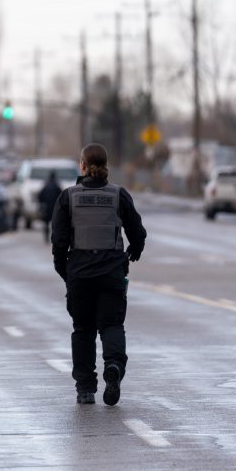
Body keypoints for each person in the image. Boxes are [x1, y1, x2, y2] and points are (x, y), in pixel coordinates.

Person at [51, 143, 146, 406]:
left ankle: (85, 388)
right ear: (106, 166)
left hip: (80, 274)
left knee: (83, 330)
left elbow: (58, 243)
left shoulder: (67, 197)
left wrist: (67, 272)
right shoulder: (118, 195)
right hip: (112, 272)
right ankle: (113, 367)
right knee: (112, 325)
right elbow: (137, 233)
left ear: (82, 165)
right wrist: (132, 254)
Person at [37, 171, 62, 244]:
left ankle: (46, 238)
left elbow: (40, 196)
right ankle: (54, 238)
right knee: (55, 224)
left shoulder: (46, 185)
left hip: (46, 207)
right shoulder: (57, 186)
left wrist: (41, 204)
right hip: (55, 207)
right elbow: (62, 197)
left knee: (46, 224)